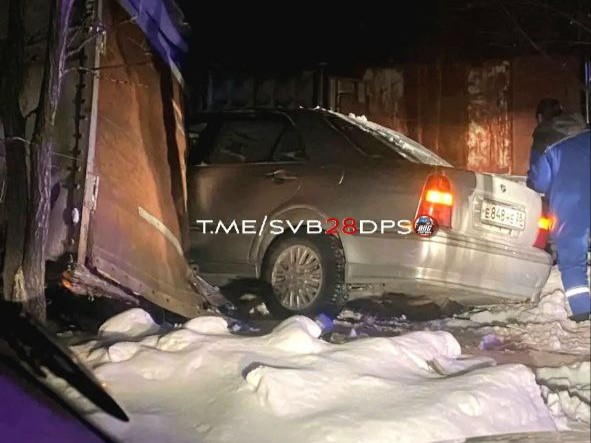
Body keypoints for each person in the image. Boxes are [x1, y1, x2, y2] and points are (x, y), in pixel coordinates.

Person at [527, 129, 591, 322]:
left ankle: (582, 312)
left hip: (571, 205)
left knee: (573, 261)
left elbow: (540, 181)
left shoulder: (547, 140)